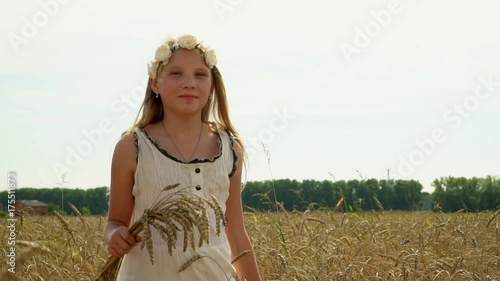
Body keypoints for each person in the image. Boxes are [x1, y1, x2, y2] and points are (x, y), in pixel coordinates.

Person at [104, 34, 261, 281]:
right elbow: (114, 221)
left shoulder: (230, 148)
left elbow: (237, 235)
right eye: (176, 73)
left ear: (211, 86)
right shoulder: (132, 147)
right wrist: (115, 235)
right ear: (155, 84)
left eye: (200, 74)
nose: (189, 83)